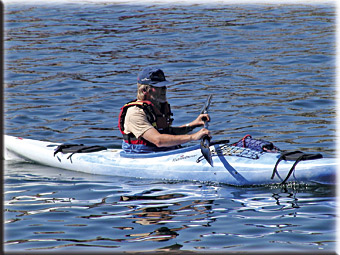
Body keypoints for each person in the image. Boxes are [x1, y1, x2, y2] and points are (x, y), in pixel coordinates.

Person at [118, 67, 211, 153]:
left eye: (164, 86)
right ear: (144, 90)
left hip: (160, 150)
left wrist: (193, 125)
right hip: (142, 153)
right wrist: (193, 137)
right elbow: (158, 140)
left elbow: (167, 133)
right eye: (158, 87)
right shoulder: (135, 113)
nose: (164, 89)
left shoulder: (157, 106)